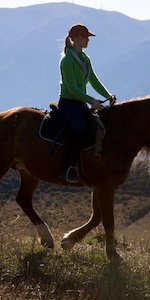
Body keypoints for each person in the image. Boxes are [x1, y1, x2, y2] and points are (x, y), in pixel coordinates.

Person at [58, 23, 115, 182]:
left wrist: (108, 96)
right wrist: (91, 100)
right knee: (80, 129)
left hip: (80, 102)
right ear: (75, 38)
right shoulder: (67, 60)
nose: (87, 40)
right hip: (68, 103)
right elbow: (72, 88)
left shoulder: (85, 58)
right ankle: (66, 167)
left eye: (87, 37)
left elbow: (94, 81)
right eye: (85, 37)